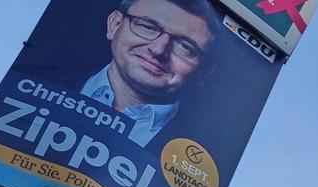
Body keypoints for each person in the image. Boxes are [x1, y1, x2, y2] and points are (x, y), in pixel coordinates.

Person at [84, 0, 219, 146]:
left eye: (184, 46)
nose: (158, 50)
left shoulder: (205, 151)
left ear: (204, 72)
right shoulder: (56, 79)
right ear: (115, 24)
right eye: (147, 26)